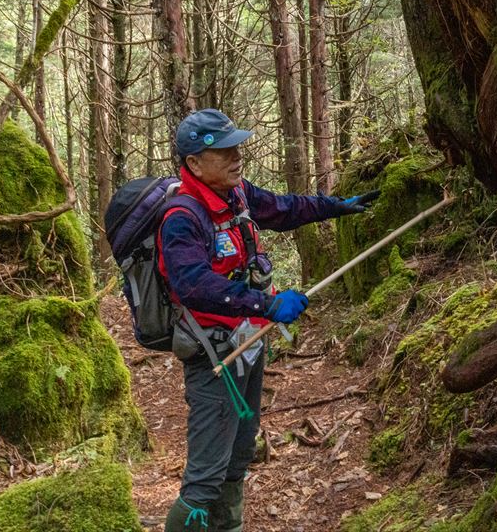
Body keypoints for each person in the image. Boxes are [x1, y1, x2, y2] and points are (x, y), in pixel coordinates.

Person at [159, 109, 377, 532]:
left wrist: (335, 206)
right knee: (205, 477)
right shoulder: (182, 217)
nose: (236, 156)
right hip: (213, 358)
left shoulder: (235, 195)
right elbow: (194, 286)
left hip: (247, 345)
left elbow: (283, 208)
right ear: (194, 164)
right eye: (223, 151)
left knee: (238, 457)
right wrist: (267, 305)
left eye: (236, 146)